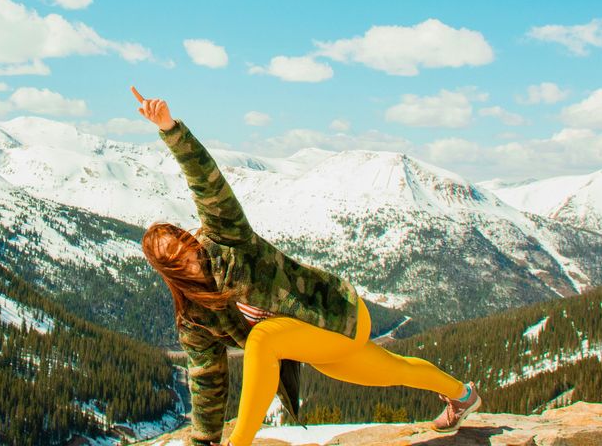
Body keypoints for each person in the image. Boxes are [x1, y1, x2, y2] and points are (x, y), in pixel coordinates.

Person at [132, 87, 480, 446]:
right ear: (168, 271)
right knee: (398, 369)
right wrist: (202, 441)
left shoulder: (228, 239)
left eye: (182, 243)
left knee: (263, 339)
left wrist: (170, 130)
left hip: (338, 314)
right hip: (319, 349)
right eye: (174, 258)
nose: (187, 255)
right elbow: (207, 378)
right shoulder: (193, 318)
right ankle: (463, 396)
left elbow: (207, 183)